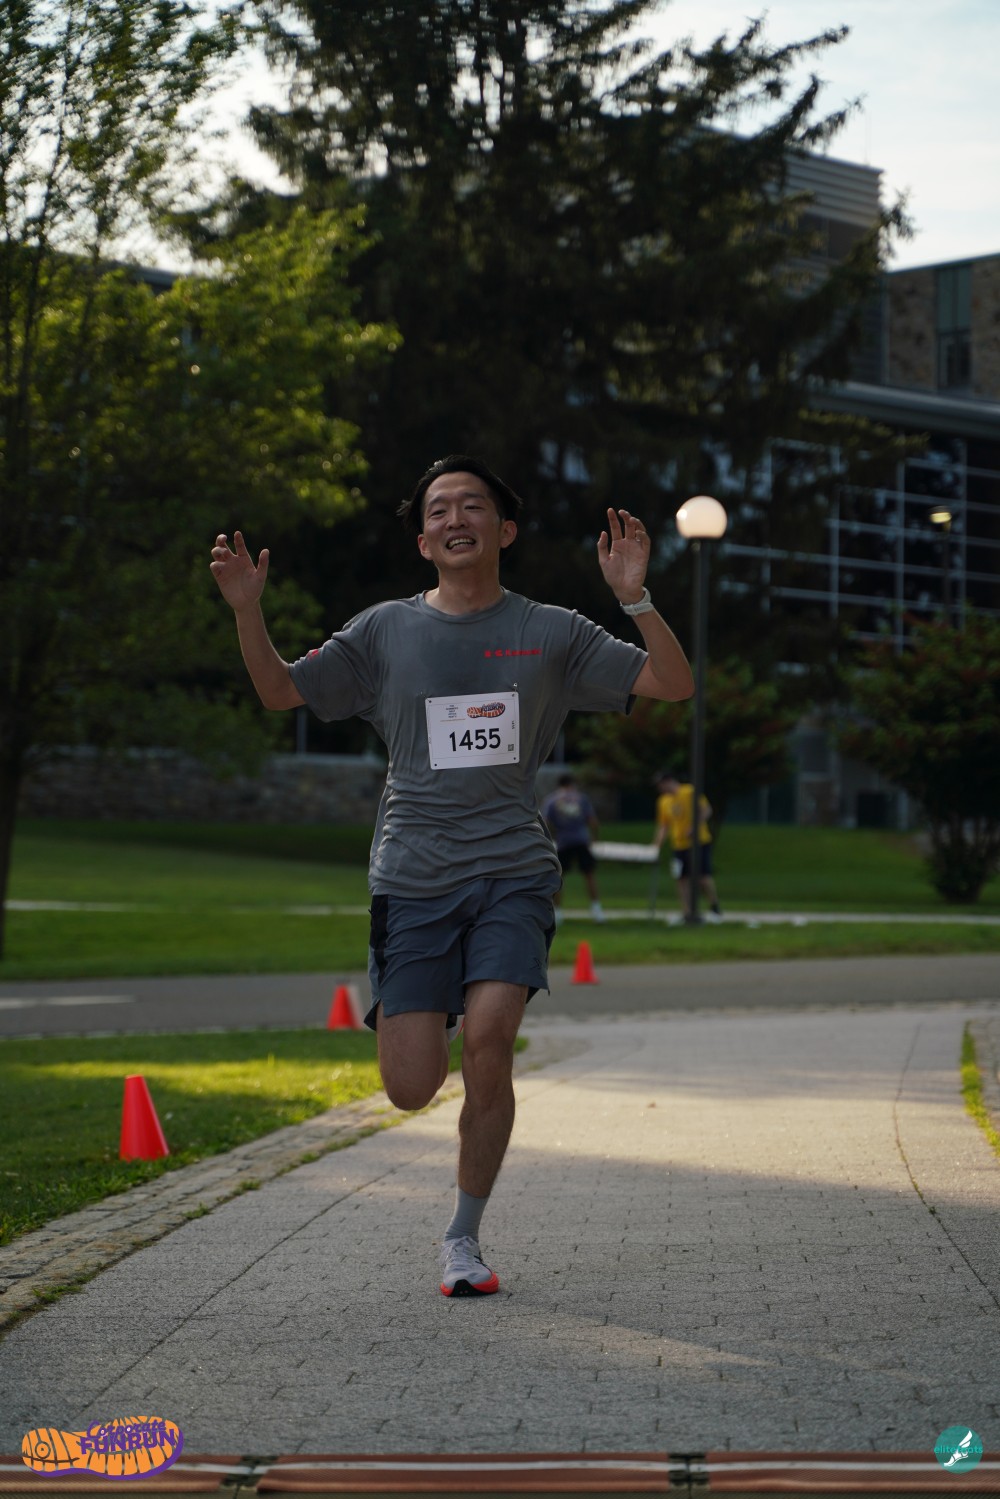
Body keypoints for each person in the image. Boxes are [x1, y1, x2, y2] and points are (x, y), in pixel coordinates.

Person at [210, 454, 694, 1299]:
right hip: (413, 876)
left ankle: (463, 1237)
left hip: (513, 871)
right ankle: (420, 1004)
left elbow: (673, 683)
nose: (455, 518)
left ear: (505, 530)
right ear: (423, 540)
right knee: (410, 1087)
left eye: (473, 505)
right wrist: (248, 612)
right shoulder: (384, 631)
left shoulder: (552, 630)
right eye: (438, 509)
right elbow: (280, 692)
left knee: (490, 1040)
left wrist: (635, 598)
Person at [653, 770, 722, 922]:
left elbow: (706, 810)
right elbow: (664, 825)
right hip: (678, 845)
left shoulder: (689, 792)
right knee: (681, 878)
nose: (661, 789)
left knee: (702, 877)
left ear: (669, 781)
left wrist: (694, 826)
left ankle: (714, 906)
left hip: (698, 842)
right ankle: (687, 912)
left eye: (661, 785)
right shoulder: (663, 801)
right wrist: (656, 845)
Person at [541, 773, 605, 923]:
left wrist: (549, 838)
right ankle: (597, 910)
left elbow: (544, 822)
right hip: (581, 840)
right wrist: (594, 838)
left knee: (559, 877)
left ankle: (558, 913)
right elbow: (593, 821)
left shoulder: (552, 800)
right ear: (572, 783)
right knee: (589, 875)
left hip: (563, 842)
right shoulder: (581, 798)